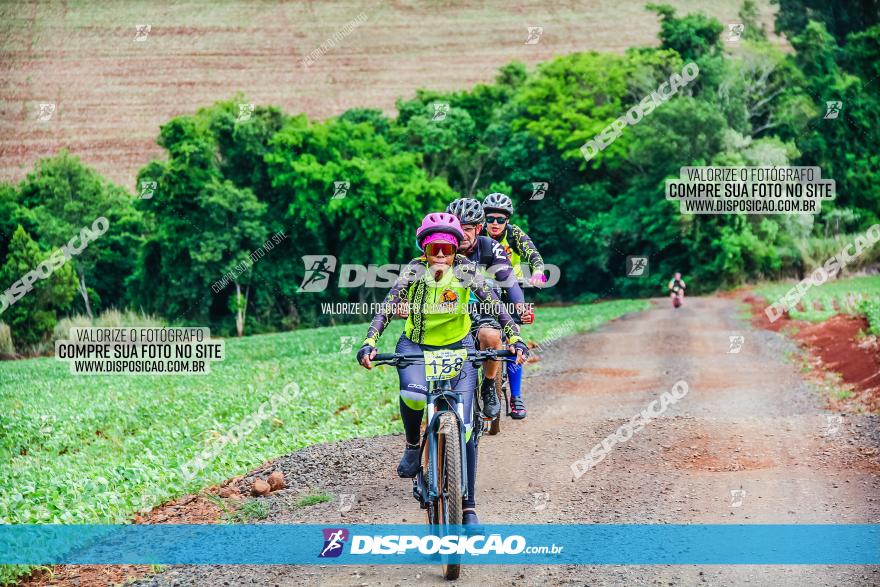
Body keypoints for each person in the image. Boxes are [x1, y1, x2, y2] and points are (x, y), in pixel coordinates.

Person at [357, 212, 529, 525]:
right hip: (416, 347)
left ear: (455, 251)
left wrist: (515, 337)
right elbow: (387, 306)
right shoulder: (414, 270)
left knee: (465, 428)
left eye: (447, 249)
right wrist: (370, 341)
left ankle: (469, 507)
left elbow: (494, 304)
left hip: (458, 347)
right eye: (433, 248)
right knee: (415, 397)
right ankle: (412, 446)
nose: (440, 255)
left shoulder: (466, 269)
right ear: (424, 249)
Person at [445, 197, 526, 420]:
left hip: (484, 310)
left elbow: (509, 281)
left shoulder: (490, 247)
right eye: (457, 227)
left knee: (491, 337)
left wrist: (520, 306)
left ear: (478, 228)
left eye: (468, 228)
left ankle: (490, 385)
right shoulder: (441, 246)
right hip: (448, 312)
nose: (461, 233)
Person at [481, 192, 546, 419]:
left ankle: (516, 396)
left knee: (513, 338)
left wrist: (538, 272)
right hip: (482, 290)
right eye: (490, 219)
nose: (495, 224)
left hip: (512, 288)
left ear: (507, 220)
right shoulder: (477, 233)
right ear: (484, 219)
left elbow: (533, 255)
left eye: (500, 219)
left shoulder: (515, 234)